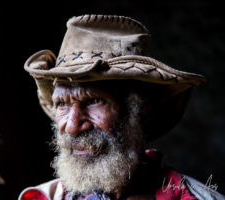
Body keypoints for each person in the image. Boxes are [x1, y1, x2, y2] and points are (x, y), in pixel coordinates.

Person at [19, 15, 224, 200]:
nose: (72, 126)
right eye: (62, 104)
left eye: (93, 101)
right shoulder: (39, 197)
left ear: (138, 109)